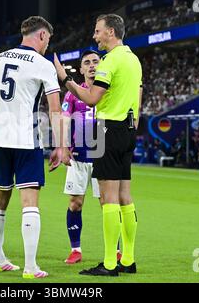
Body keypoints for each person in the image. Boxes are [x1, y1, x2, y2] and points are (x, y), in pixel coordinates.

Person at [54, 13, 142, 276]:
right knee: (125, 197)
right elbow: (138, 94)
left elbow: (92, 98)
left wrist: (66, 80)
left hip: (108, 130)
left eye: (97, 31)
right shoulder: (133, 59)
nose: (95, 36)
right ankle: (128, 259)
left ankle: (109, 264)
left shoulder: (110, 61)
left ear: (111, 32)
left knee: (109, 198)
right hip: (128, 129)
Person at [0, 16, 71, 279]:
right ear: (43, 35)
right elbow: (55, 109)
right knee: (30, 201)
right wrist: (60, 145)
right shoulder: (43, 64)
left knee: (0, 197)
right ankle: (31, 266)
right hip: (26, 139)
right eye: (49, 40)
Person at [61, 50, 123, 264]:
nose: (91, 65)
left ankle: (115, 250)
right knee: (75, 203)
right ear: (81, 69)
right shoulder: (73, 93)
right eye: (86, 62)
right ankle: (75, 250)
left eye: (96, 61)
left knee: (108, 204)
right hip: (78, 157)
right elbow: (64, 119)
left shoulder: (109, 90)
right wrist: (63, 146)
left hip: (103, 156)